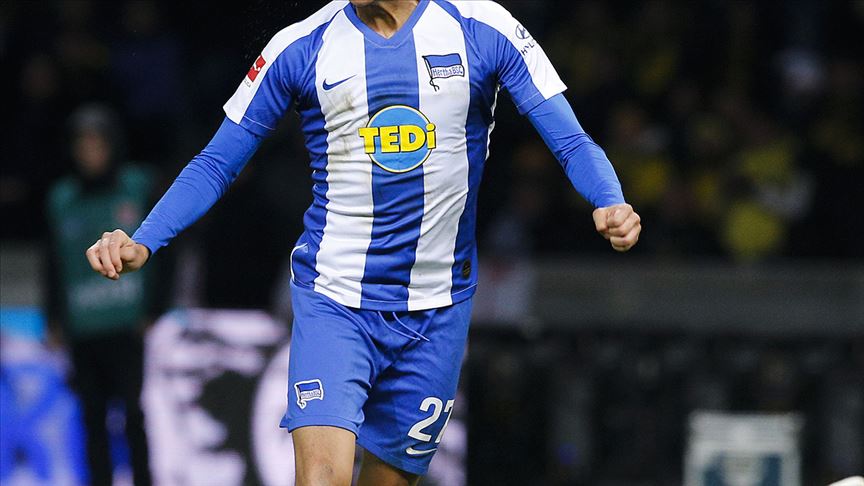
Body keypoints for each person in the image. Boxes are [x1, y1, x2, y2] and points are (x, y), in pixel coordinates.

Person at [85, 1, 641, 485]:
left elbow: (570, 140)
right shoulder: (302, 46)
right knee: (320, 478)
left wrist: (609, 200)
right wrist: (144, 240)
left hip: (437, 311)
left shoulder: (483, 28)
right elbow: (216, 162)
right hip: (335, 301)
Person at [48, 104, 155, 486]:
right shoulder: (61, 199)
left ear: (112, 145)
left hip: (126, 324)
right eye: (82, 144)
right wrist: (54, 319)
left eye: (96, 143)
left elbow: (161, 249)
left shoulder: (137, 186)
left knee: (133, 414)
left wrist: (154, 309)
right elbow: (53, 262)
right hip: (84, 328)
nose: (89, 152)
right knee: (92, 417)